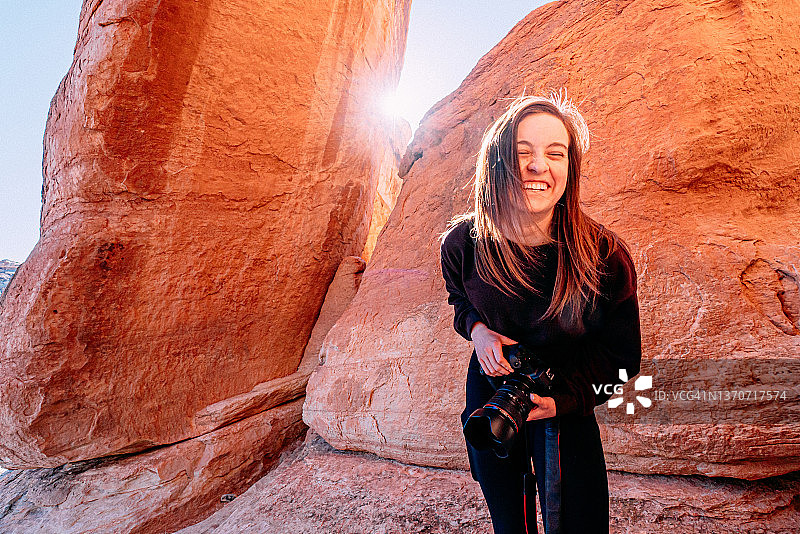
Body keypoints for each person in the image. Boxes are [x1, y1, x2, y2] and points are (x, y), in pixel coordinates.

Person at [440, 93, 642, 534]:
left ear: (570, 169)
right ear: (497, 163)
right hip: (494, 390)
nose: (538, 166)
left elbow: (623, 362)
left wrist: (563, 399)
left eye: (556, 153)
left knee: (581, 519)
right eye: (522, 152)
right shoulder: (464, 243)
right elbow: (460, 299)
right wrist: (477, 330)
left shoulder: (603, 256)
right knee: (509, 520)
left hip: (565, 397)